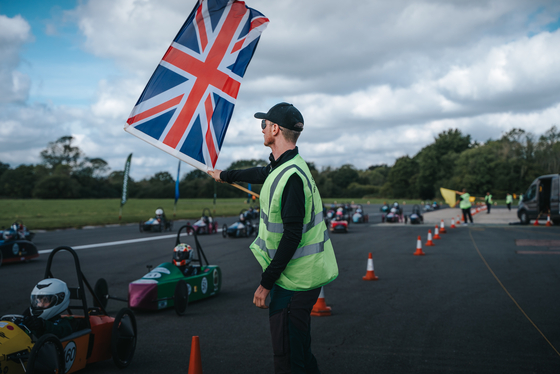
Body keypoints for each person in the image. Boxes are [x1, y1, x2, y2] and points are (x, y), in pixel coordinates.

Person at [208, 102, 338, 373]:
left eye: (263, 124)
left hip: (295, 280)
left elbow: (292, 236)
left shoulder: (290, 176)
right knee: (299, 349)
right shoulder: (287, 165)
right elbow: (260, 173)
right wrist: (224, 176)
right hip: (301, 276)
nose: (262, 130)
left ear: (275, 129)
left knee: (288, 357)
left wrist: (265, 283)